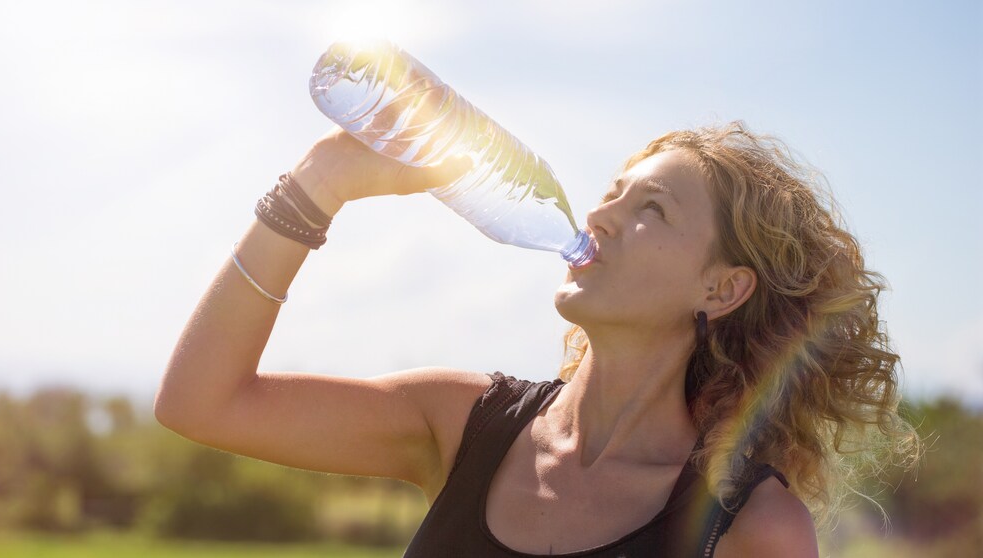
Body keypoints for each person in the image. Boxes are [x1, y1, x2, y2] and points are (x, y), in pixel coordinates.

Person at [154, 121, 922, 557]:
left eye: (650, 209)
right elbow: (201, 402)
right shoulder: (463, 423)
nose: (599, 218)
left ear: (722, 289)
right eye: (609, 196)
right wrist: (318, 181)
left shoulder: (749, 527)